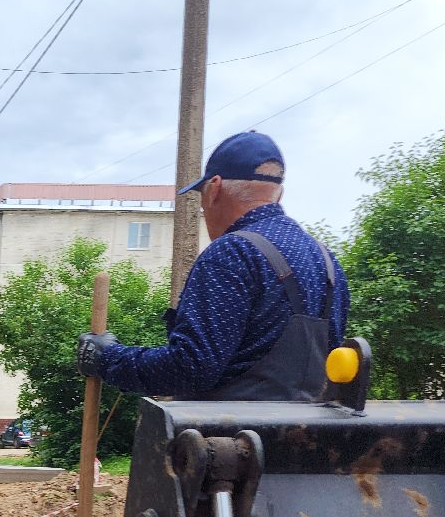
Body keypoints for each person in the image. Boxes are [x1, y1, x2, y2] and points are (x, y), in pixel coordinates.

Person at [76, 131, 349, 400]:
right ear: (279, 194)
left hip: (231, 427)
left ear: (214, 188)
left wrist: (106, 357)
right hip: (307, 427)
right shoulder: (327, 261)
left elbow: (190, 368)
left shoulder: (232, 252)